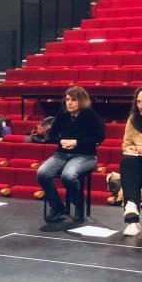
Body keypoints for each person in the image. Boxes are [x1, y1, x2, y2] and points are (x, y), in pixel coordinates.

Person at [37, 86, 105, 223]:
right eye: (67, 99)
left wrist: (76, 142)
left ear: (81, 101)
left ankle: (78, 205)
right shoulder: (63, 113)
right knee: (42, 173)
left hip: (85, 156)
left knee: (68, 175)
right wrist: (60, 141)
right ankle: (57, 207)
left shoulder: (89, 114)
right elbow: (52, 134)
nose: (69, 103)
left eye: (73, 100)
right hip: (61, 154)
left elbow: (100, 137)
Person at [120, 86, 142, 236]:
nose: (141, 105)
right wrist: (130, 149)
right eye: (139, 102)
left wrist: (139, 148)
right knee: (128, 162)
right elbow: (126, 144)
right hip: (138, 162)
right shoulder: (133, 120)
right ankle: (132, 213)